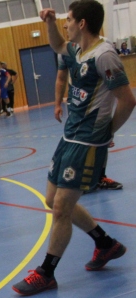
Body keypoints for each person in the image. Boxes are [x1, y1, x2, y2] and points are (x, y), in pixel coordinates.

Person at [12, 1, 136, 296]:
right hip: (70, 136)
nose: (66, 24)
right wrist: (50, 22)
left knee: (61, 208)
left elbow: (128, 100)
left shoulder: (104, 56)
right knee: (51, 198)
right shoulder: (77, 49)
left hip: (88, 141)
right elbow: (57, 46)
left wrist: (107, 133)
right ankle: (105, 244)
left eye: (68, 19)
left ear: (82, 23)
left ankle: (47, 273)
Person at [54, 54, 123, 194]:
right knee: (77, 141)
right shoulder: (65, 52)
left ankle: (100, 177)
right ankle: (77, 179)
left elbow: (115, 84)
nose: (66, 30)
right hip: (76, 104)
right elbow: (61, 78)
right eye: (65, 29)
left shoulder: (100, 52)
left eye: (68, 29)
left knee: (102, 141)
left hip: (97, 104)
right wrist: (57, 104)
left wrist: (110, 130)